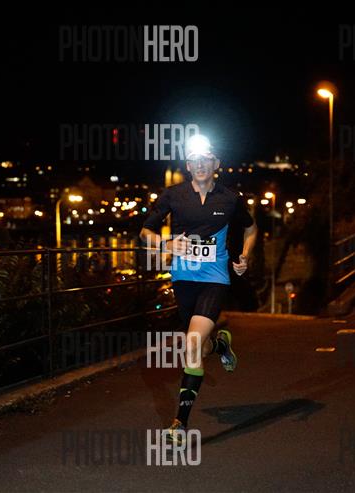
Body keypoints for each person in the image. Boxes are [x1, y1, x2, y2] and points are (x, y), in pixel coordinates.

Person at [140, 135, 257, 444]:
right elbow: (145, 232)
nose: (201, 164)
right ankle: (220, 345)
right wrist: (165, 243)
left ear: (216, 164)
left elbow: (251, 228)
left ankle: (179, 423)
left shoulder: (230, 198)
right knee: (200, 347)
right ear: (188, 166)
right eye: (195, 160)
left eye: (207, 159)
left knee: (191, 344)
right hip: (183, 278)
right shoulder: (173, 195)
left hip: (215, 278)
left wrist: (245, 256)